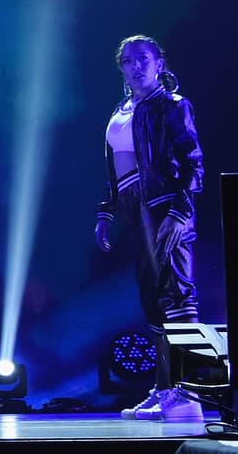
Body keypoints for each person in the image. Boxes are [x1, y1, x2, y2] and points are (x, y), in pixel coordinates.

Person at [96, 35, 205, 422]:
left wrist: (180, 212)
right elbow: (116, 168)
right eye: (127, 60)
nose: (135, 65)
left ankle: (190, 392)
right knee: (153, 300)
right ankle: (164, 388)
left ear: (159, 62)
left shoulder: (172, 106)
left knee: (178, 296)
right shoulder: (122, 110)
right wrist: (106, 212)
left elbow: (194, 164)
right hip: (133, 209)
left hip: (164, 207)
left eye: (143, 58)